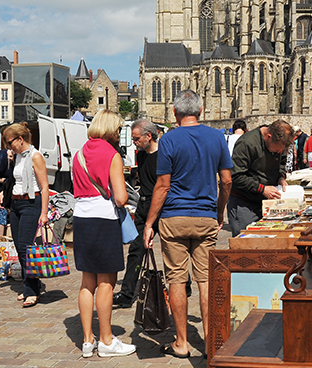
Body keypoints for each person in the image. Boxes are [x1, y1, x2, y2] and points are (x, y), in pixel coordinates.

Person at [143, 90, 233, 358]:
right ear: (201, 110)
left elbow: (162, 186)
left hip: (174, 217)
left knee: (177, 280)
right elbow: (227, 181)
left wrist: (150, 223)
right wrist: (219, 212)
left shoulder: (169, 139)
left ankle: (181, 342)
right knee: (206, 280)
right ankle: (210, 341)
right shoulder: (217, 137)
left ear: (174, 112)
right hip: (205, 215)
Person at [72, 109, 136, 358]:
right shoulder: (112, 154)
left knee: (87, 282)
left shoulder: (78, 154)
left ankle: (88, 339)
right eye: (118, 129)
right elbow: (120, 197)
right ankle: (107, 340)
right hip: (103, 218)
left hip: (82, 218)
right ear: (110, 129)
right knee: (106, 283)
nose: (120, 133)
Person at [113, 119, 160, 309]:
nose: (134, 142)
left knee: (171, 250)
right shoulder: (140, 155)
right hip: (143, 204)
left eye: (137, 138)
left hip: (161, 206)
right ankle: (127, 293)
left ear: (149, 136)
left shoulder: (164, 155)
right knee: (136, 249)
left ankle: (185, 285)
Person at [3, 123, 50, 308]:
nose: (8, 147)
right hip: (16, 203)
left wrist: (44, 212)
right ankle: (30, 284)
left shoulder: (35, 156)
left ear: (20, 139)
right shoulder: (18, 157)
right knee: (19, 245)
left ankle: (32, 290)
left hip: (31, 203)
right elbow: (16, 180)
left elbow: (44, 186)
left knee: (25, 247)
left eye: (9, 142)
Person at [227, 119, 294, 237]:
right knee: (245, 244)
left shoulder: (279, 143)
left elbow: (282, 164)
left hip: (265, 203)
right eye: (277, 149)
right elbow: (236, 176)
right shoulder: (247, 143)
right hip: (244, 203)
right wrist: (262, 189)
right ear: (269, 136)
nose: (279, 152)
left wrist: (281, 177)